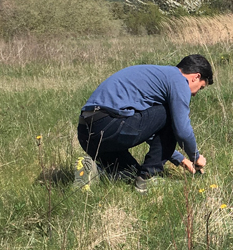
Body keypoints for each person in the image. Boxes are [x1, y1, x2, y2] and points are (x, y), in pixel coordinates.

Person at [75, 54, 213, 193]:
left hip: (86, 134)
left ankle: (93, 171)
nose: (194, 94)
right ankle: (148, 177)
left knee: (130, 174)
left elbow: (147, 130)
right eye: (200, 88)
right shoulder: (178, 80)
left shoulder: (158, 77)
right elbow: (182, 129)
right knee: (171, 114)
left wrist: (181, 159)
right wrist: (196, 157)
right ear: (196, 76)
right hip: (110, 125)